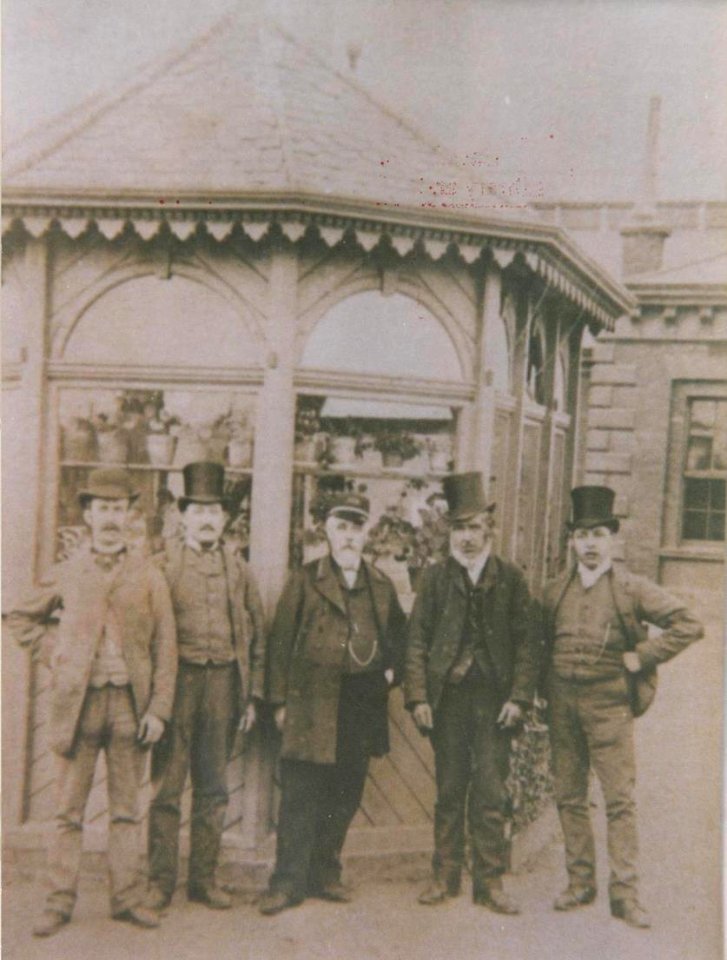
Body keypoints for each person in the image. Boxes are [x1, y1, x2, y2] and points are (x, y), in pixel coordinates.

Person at [7, 468, 177, 937]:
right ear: (87, 515)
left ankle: (126, 899)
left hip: (129, 708)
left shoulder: (149, 574)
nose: (109, 517)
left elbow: (167, 648)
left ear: (129, 516)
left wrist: (158, 710)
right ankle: (59, 901)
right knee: (67, 812)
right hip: (77, 708)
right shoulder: (67, 571)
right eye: (101, 508)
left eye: (118, 508)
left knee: (126, 810)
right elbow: (18, 616)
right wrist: (55, 655)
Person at [539, 485, 704, 929]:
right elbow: (536, 645)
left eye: (597, 534)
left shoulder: (632, 589)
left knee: (619, 800)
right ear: (571, 541)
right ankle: (580, 883)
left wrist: (643, 656)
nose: (589, 544)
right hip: (562, 706)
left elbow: (689, 624)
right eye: (581, 535)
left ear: (611, 539)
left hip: (610, 706)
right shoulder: (554, 591)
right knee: (569, 795)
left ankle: (626, 894)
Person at [259, 492, 407, 915]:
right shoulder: (306, 581)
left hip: (361, 701)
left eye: (356, 527)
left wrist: (393, 672)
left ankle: (325, 872)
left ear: (367, 534)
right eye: (341, 526)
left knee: (346, 790)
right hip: (312, 700)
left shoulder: (380, 585)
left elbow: (401, 637)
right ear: (326, 531)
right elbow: (280, 643)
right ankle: (287, 882)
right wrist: (279, 702)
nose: (348, 536)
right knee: (301, 792)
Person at [405, 472, 540, 915]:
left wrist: (519, 698)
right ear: (450, 532)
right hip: (448, 702)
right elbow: (417, 641)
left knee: (489, 794)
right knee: (449, 791)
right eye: (459, 528)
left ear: (489, 530)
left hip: (495, 704)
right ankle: (443, 877)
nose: (466, 538)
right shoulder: (435, 578)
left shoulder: (512, 579)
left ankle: (490, 882)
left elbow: (526, 645)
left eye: (475, 528)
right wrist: (419, 697)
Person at [146, 462, 266, 911]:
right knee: (167, 788)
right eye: (199, 512)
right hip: (177, 686)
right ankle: (159, 882)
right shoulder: (162, 566)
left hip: (222, 688)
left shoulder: (238, 570)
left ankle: (203, 879)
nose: (207, 520)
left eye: (215, 512)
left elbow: (258, 634)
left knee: (214, 788)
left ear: (226, 520)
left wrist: (252, 694)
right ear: (183, 517)